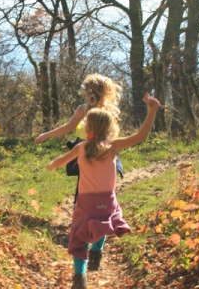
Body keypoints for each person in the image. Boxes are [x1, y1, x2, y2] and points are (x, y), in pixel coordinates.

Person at [47, 93, 161, 289]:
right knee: (104, 222)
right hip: (106, 200)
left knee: (79, 236)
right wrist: (152, 111)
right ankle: (97, 251)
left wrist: (51, 165)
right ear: (110, 128)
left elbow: (60, 161)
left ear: (87, 128)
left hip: (84, 203)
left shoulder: (81, 147)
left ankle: (79, 277)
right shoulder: (113, 146)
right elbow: (140, 136)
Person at [34, 74, 125, 181]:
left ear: (89, 92)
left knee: (98, 184)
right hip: (89, 151)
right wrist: (46, 135)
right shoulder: (84, 110)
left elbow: (69, 127)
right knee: (89, 183)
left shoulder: (106, 112)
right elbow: (68, 127)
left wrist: (46, 135)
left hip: (98, 152)